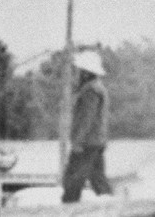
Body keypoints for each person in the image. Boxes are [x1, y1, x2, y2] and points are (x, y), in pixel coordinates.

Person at [61, 49, 112, 204]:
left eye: (80, 70)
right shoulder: (97, 87)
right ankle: (113, 210)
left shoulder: (90, 90)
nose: (77, 73)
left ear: (85, 72)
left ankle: (66, 213)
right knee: (99, 181)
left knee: (72, 182)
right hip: (96, 142)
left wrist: (77, 142)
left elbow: (86, 119)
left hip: (86, 144)